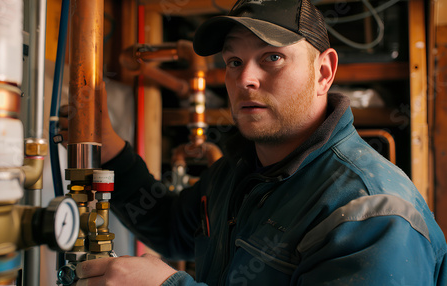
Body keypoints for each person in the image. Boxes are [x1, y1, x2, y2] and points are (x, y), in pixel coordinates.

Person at [68, 0, 447, 285]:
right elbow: (168, 225)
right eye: (234, 61)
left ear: (324, 73)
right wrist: (108, 143)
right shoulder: (238, 172)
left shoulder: (372, 213)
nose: (245, 77)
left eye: (272, 57)